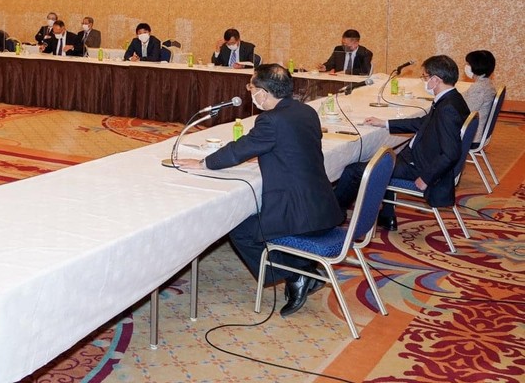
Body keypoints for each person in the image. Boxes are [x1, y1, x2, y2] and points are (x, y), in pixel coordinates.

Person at [177, 64, 343, 316]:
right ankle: (302, 266)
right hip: (323, 206)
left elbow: (240, 149)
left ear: (263, 94)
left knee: (238, 225)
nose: (250, 92)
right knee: (250, 213)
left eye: (251, 87)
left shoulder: (271, 120)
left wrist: (203, 163)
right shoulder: (306, 111)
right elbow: (292, 146)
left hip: (299, 215)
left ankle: (297, 274)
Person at [337, 55, 469, 231]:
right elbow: (423, 123)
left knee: (354, 170)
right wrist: (384, 123)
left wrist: (427, 178)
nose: (424, 81)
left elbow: (451, 153)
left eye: (425, 77)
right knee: (388, 156)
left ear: (436, 80)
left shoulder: (447, 109)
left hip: (421, 166)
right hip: (418, 157)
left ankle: (335, 214)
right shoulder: (453, 99)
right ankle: (387, 215)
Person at [461, 50, 497, 146]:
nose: (466, 66)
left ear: (476, 66)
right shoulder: (486, 83)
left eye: (468, 64)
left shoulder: (479, 87)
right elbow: (465, 96)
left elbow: (465, 111)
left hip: (473, 136)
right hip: (478, 131)